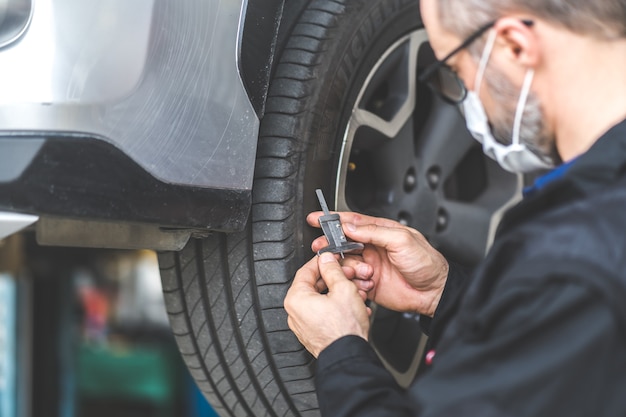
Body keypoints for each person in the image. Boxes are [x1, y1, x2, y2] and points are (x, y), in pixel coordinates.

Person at [284, 0, 626, 415]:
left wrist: (340, 351)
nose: (465, 97)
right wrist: (445, 296)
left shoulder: (573, 258)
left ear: (514, 46)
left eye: (456, 71)